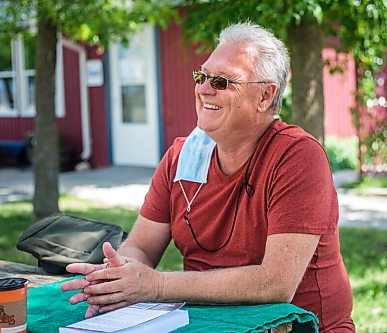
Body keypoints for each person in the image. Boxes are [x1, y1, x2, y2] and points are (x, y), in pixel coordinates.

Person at [61, 22, 355, 332]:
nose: (203, 88)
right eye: (202, 76)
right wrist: (118, 278)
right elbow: (141, 248)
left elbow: (276, 283)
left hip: (300, 326)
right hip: (206, 323)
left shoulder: (297, 155)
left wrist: (156, 285)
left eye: (222, 81)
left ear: (265, 96)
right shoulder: (181, 156)